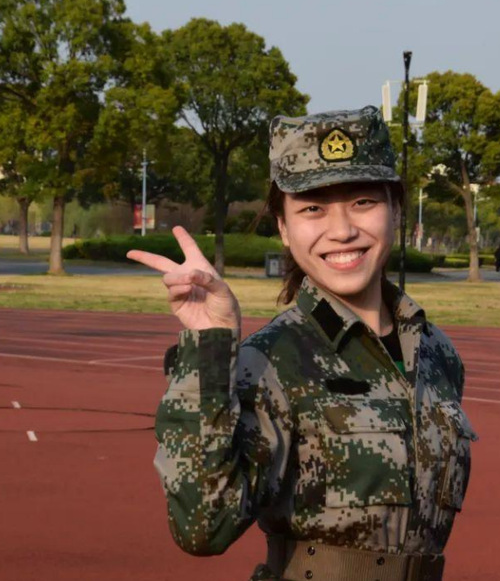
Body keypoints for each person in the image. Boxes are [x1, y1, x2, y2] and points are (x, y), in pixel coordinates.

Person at [127, 106, 477, 581]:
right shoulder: (269, 360)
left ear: (395, 209)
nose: (342, 230)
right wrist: (210, 345)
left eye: (363, 202)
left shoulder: (437, 352)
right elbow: (203, 529)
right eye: (313, 208)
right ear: (283, 227)